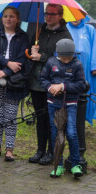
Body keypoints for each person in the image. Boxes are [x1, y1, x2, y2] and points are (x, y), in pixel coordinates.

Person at [0, 6, 29, 162]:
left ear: (17, 19)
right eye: (5, 16)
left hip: (14, 82)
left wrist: (7, 72)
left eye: (11, 17)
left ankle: (10, 148)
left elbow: (22, 59)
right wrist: (7, 64)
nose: (8, 19)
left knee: (10, 116)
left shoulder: (23, 37)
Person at [27, 4, 73, 165]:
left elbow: (65, 59)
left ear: (60, 15)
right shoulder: (41, 30)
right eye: (46, 13)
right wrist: (32, 50)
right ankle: (40, 149)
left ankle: (51, 152)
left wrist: (42, 56)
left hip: (54, 82)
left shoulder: (65, 35)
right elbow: (32, 52)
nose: (48, 16)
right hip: (37, 80)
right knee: (40, 116)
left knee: (51, 118)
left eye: (52, 14)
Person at [39, 39, 86, 178]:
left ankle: (75, 164)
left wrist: (63, 87)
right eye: (63, 58)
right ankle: (58, 165)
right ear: (57, 54)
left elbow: (81, 85)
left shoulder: (77, 64)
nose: (66, 61)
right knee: (56, 134)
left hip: (70, 104)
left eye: (69, 58)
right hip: (53, 103)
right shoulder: (51, 62)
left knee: (71, 133)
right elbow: (42, 79)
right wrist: (50, 87)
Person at [67, 16, 96, 124]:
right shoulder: (65, 28)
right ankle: (70, 120)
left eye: (78, 16)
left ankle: (82, 119)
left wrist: (94, 66)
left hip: (86, 68)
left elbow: (95, 47)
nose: (75, 18)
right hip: (69, 67)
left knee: (85, 92)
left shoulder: (89, 29)